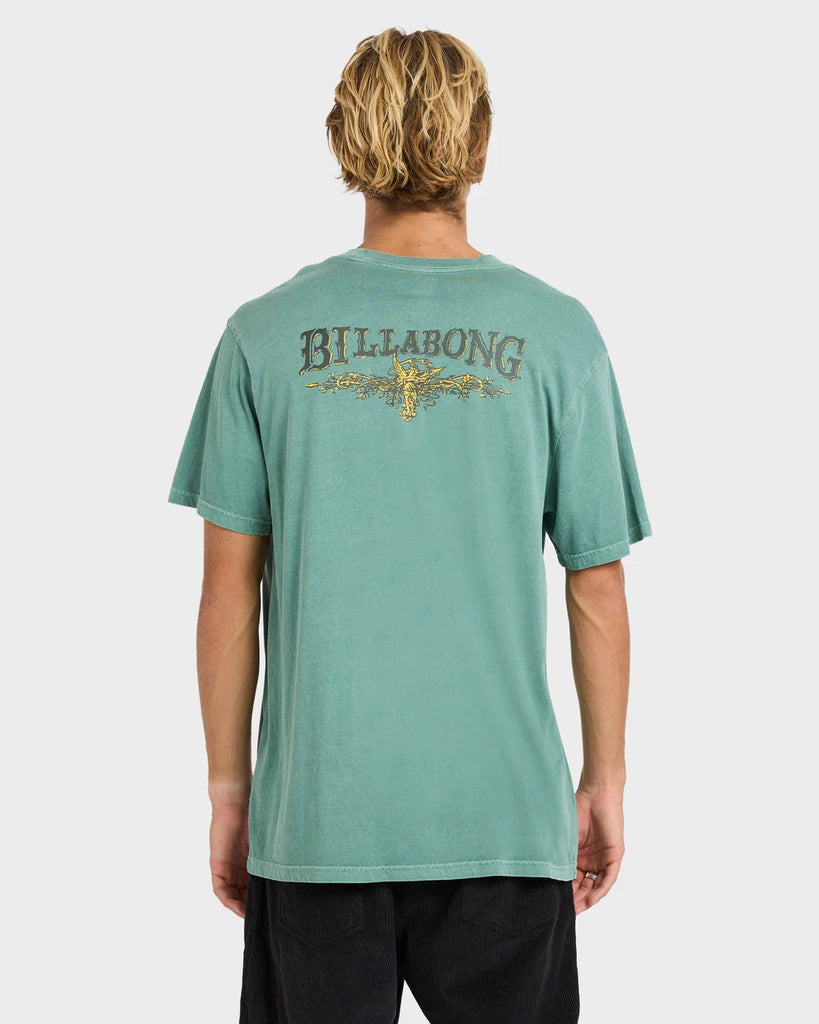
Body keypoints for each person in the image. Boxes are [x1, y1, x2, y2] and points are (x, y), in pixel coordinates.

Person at [167, 26, 652, 1024]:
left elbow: (227, 594)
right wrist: (605, 777)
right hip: (503, 821)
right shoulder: (559, 333)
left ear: (342, 141)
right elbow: (595, 581)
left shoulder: (262, 335)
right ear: (481, 146)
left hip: (318, 820)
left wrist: (230, 790)